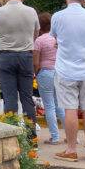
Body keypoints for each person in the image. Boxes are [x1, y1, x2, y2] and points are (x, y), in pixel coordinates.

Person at [51, 0, 85, 161]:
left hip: (66, 68)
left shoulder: (58, 16)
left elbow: (55, 37)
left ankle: (71, 149)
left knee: (70, 109)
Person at [0, 0, 40, 121]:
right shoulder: (31, 11)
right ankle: (31, 137)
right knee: (27, 97)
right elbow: (35, 33)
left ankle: (12, 134)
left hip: (5, 55)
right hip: (25, 55)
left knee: (10, 98)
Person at [33, 10, 61, 144]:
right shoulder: (58, 38)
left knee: (49, 106)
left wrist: (36, 73)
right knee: (60, 105)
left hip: (45, 72)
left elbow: (36, 62)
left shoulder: (39, 41)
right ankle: (72, 136)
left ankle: (55, 137)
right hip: (59, 71)